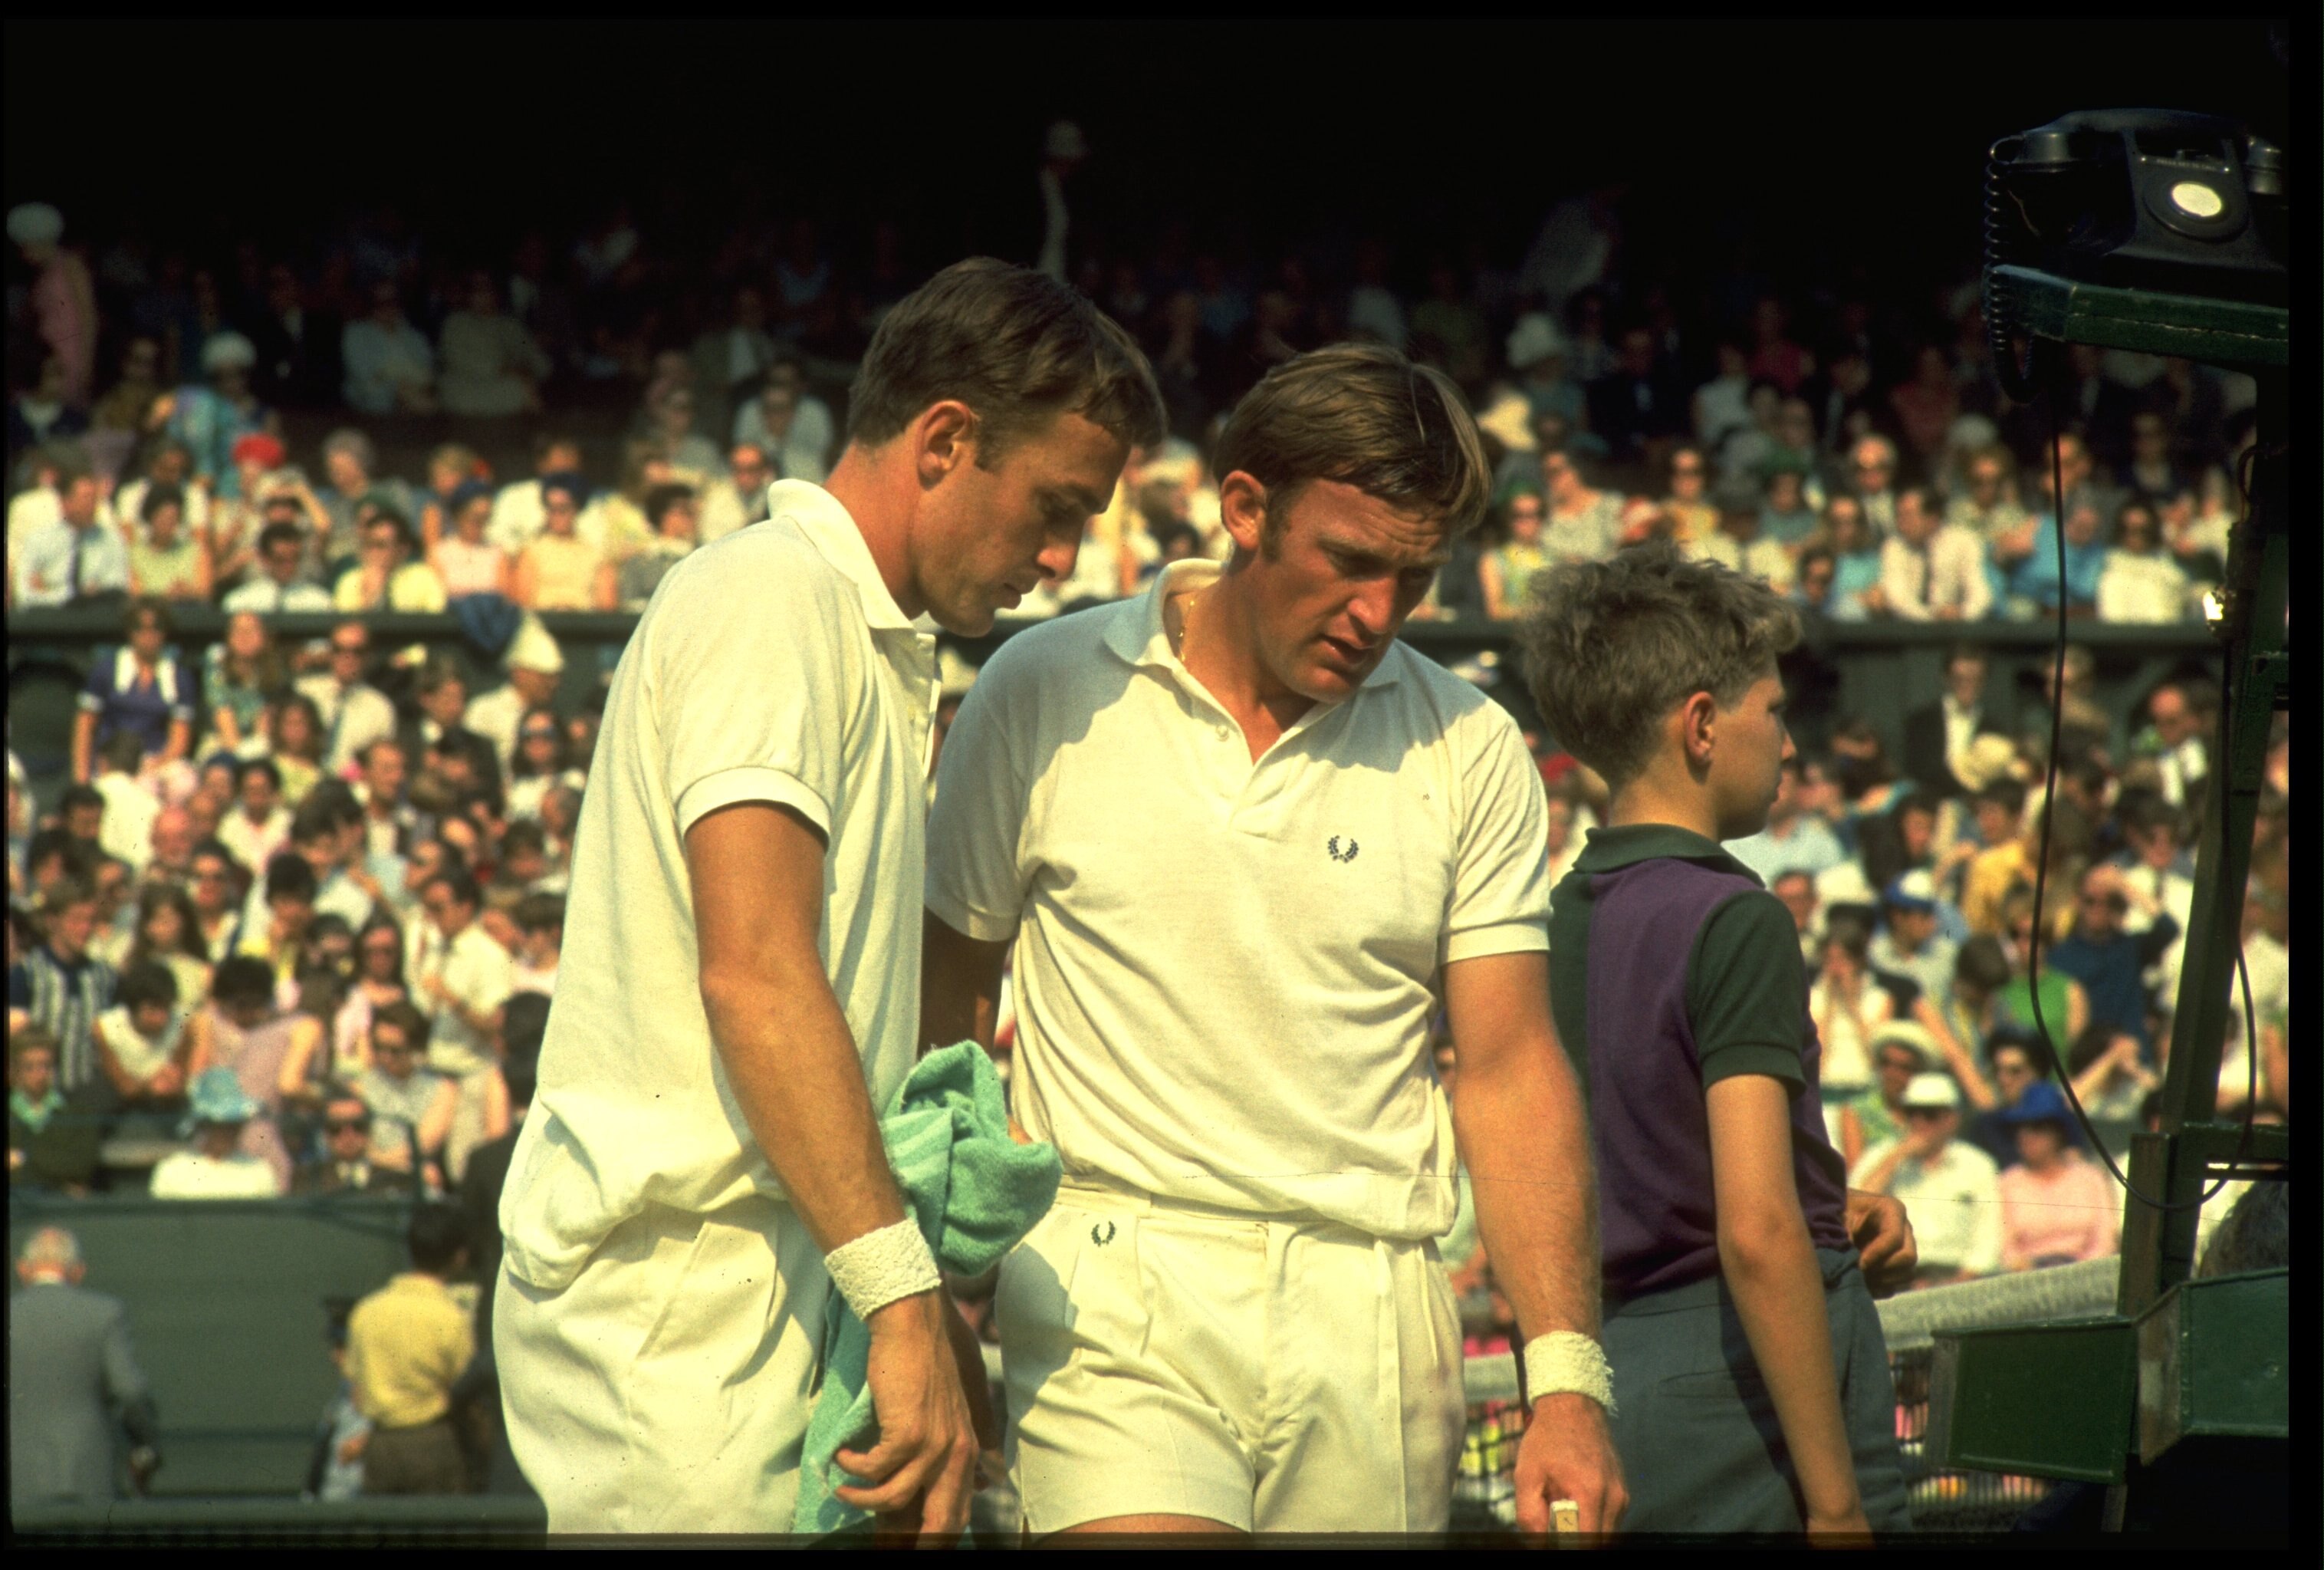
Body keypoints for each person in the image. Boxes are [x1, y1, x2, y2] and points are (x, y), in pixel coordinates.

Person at [496, 256, 1159, 1535]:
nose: (1064, 555)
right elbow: (753, 969)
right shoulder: (769, 597)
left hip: (782, 1274)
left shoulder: (843, 622)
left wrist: (893, 1295)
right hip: (682, 1301)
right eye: (1055, 504)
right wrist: (905, 1296)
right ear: (946, 439)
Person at [926, 343, 1622, 1537]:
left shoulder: (1473, 746)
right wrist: (924, 1293)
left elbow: (1508, 1072)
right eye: (1348, 561)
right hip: (1105, 1288)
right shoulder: (1037, 687)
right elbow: (939, 1020)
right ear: (1242, 506)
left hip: (1377, 1311)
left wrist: (1567, 1378)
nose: (1376, 614)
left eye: (1411, 579)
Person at [1511, 541, 1914, 1535]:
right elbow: (1754, 1229)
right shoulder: (1734, 917)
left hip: (1613, 1379)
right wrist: (1832, 1505)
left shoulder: (1547, 918)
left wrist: (1831, 1197)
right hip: (1748, 1397)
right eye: (1771, 710)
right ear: (1699, 723)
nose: (1785, 740)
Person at [8, 1226, 162, 1503]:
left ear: (23, 1269)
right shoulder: (105, 1314)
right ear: (78, 1271)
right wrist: (145, 1445)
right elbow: (130, 1391)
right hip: (89, 1474)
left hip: (18, 1480)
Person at [346, 1203, 477, 1494]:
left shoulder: (366, 1311)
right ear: (459, 1256)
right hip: (434, 1443)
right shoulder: (451, 1317)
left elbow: (357, 1394)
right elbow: (466, 1386)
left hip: (380, 1448)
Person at [406, 867, 511, 1183]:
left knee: (462, 1167)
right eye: (428, 909)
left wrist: (453, 1000)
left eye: (439, 908)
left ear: (465, 907)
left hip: (471, 1076)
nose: (433, 917)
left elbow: (496, 1026)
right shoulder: (436, 949)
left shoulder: (490, 956)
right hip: (432, 1074)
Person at [1848, 1072, 2002, 1285]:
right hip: (1895, 1275)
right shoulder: (1880, 1157)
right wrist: (1898, 1156)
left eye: (1929, 1114)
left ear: (1952, 1119)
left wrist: (1958, 1283)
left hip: (1957, 1276)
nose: (1919, 1122)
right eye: (1912, 1112)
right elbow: (1858, 1208)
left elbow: (1987, 1238)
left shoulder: (1977, 1165)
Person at [182, 954, 319, 1190]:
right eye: (239, 1005)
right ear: (222, 1002)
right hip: (216, 1141)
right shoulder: (208, 1023)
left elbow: (290, 1086)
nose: (248, 1013)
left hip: (266, 1140)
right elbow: (196, 1084)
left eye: (257, 1004)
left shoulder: (291, 1027)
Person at [10, 877, 117, 1096]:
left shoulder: (105, 977)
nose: (85, 928)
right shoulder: (27, 974)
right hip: (37, 1098)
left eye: (91, 920)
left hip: (88, 1098)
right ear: (52, 921)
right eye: (76, 920)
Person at [1994, 1082, 2119, 1270]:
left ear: (2058, 1132)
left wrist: (2082, 1271)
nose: (2025, 1136)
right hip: (2027, 1278)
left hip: (2086, 1274)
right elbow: (2005, 1246)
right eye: (2020, 1128)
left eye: (2037, 1127)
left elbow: (2105, 1238)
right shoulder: (2008, 1182)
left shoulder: (2091, 1178)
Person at [354, 1000, 459, 1189]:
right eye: (379, 1047)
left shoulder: (442, 1089)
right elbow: (355, 1142)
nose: (385, 1057)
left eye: (395, 1050)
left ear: (414, 1047)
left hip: (413, 1182)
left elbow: (422, 1145)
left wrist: (378, 1159)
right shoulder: (362, 1086)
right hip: (373, 1178)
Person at [150, 1065, 284, 1198]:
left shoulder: (259, 1172)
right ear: (202, 1124)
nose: (228, 1131)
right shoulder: (172, 1171)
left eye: (234, 1123)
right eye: (219, 1125)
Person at [15, 467, 130, 609]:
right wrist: (77, 596)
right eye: (86, 498)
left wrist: (49, 592)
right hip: (47, 621)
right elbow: (25, 595)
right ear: (65, 502)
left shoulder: (112, 540)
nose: (92, 505)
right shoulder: (39, 540)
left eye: (95, 498)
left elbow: (116, 591)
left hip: (95, 622)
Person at [8, 1028, 103, 1194]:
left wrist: (23, 1157)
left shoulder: (78, 1112)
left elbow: (80, 1166)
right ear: (15, 1070)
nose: (40, 1074)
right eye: (30, 1067)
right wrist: (58, 1178)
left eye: (46, 1066)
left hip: (60, 1206)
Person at [1878, 486, 1992, 621]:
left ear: (1932, 519)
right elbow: (1896, 597)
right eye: (1899, 515)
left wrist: (1962, 613)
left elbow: (1981, 592)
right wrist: (1933, 617)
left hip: (1957, 628)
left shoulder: (1964, 542)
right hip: (1911, 630)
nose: (1900, 523)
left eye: (1908, 516)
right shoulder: (1894, 546)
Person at [508, 472, 611, 611]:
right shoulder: (531, 551)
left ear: (577, 509)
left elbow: (607, 607)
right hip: (543, 624)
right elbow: (522, 605)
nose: (556, 515)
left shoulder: (595, 555)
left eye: (563, 509)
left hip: (583, 626)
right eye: (551, 508)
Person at [294, 1081, 415, 1196]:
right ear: (326, 1134)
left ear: (369, 1129)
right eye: (336, 1128)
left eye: (358, 1126)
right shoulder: (307, 1179)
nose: (348, 1135)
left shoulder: (397, 1180)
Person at [334, 508, 447, 614]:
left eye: (381, 545)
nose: (373, 552)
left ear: (402, 550)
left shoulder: (424, 577)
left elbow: (436, 619)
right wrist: (368, 598)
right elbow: (345, 629)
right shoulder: (350, 580)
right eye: (369, 545)